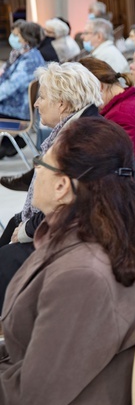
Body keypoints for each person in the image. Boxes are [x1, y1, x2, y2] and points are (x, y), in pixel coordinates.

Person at [0, 117, 135, 405]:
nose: (35, 170)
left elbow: (34, 394)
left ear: (63, 185)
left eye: (41, 164)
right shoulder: (112, 235)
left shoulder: (81, 274)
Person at [0, 62, 104, 307]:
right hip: (71, 229)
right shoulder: (86, 127)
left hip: (73, 240)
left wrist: (28, 230)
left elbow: (71, 207)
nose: (36, 104)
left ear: (62, 104)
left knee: (5, 258)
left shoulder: (77, 142)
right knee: (11, 231)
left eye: (42, 97)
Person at [80, 57, 135, 185]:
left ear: (99, 87)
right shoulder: (129, 104)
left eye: (83, 95)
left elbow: (114, 169)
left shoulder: (122, 116)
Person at [0, 21, 45, 124]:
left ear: (26, 39)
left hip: (15, 109)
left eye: (19, 36)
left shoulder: (29, 61)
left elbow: (10, 86)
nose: (18, 39)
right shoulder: (31, 54)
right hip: (15, 103)